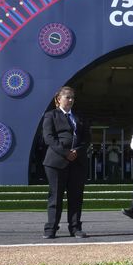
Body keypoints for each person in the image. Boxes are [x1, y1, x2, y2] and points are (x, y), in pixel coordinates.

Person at [41, 86, 89, 239]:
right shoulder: (51, 115)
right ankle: (51, 229)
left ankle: (75, 228)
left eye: (72, 97)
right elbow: (48, 138)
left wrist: (77, 151)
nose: (70, 100)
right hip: (56, 162)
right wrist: (66, 152)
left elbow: (87, 139)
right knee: (55, 196)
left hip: (77, 162)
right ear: (58, 99)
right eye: (67, 97)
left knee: (76, 197)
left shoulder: (79, 117)